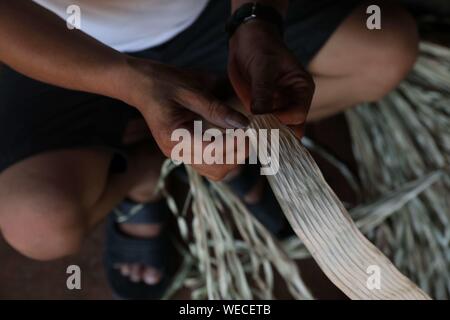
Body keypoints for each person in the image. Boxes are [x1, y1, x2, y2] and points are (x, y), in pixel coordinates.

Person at [0, 0, 418, 299]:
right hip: (57, 41)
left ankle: (190, 139)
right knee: (39, 227)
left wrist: (256, 20)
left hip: (209, 13)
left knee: (386, 51)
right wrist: (128, 81)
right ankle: (146, 170)